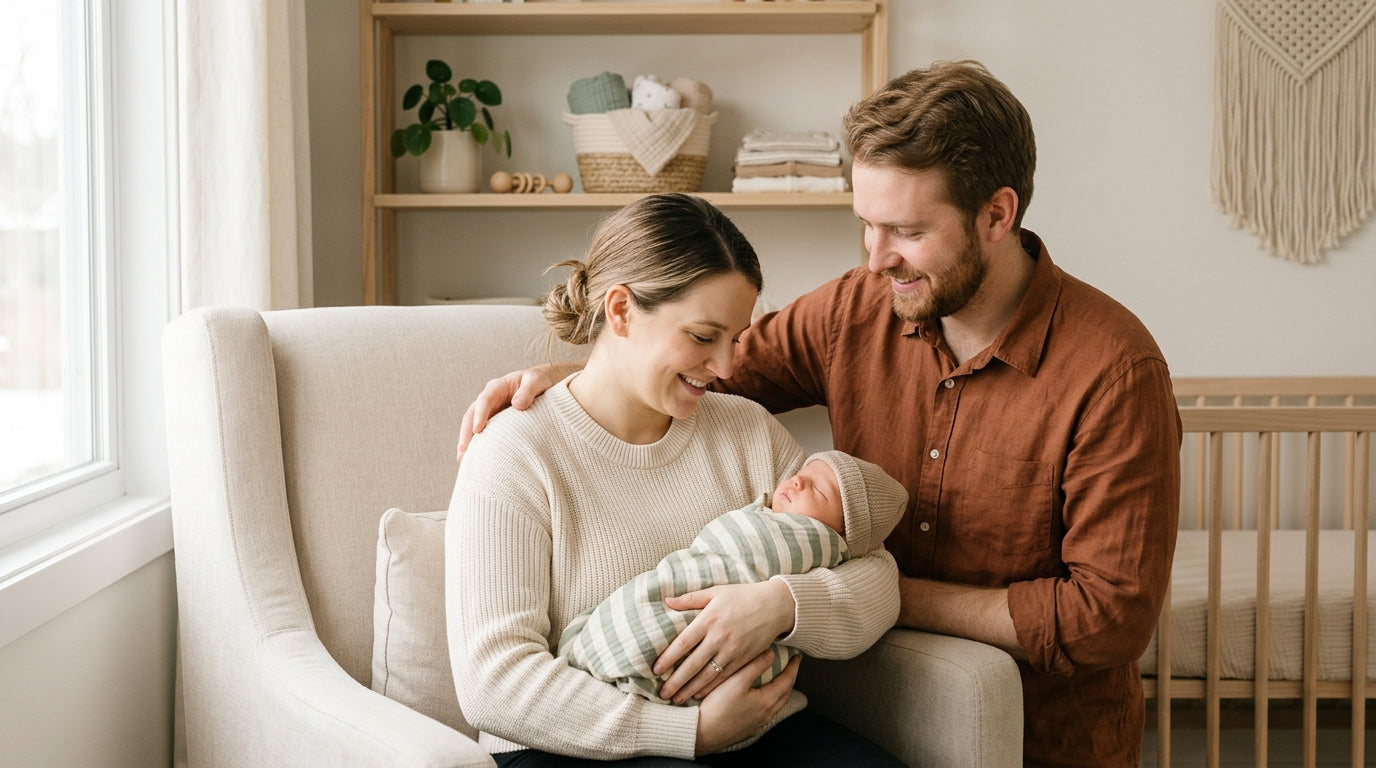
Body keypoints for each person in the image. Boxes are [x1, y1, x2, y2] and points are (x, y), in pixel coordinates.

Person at [456, 61, 1183, 768]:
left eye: (905, 231)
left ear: (997, 214)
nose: (875, 260)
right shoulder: (856, 309)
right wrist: (592, 375)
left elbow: (1105, 620)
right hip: (862, 692)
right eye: (864, 224)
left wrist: (796, 599)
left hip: (1042, 734)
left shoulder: (1114, 372)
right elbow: (712, 369)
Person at [446, 192, 906, 767]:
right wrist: (688, 733)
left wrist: (780, 605)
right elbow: (494, 682)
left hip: (756, 730)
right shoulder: (516, 453)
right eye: (703, 336)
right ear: (620, 312)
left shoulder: (747, 433)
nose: (728, 367)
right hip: (572, 746)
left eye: (736, 339)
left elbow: (877, 573)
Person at [558, 450, 907, 709]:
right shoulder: (522, 444)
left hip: (751, 714)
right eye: (803, 474)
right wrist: (695, 731)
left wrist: (782, 603)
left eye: (818, 490)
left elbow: (880, 574)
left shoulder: (757, 436)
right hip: (592, 715)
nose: (797, 479)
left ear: (842, 533)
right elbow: (505, 674)